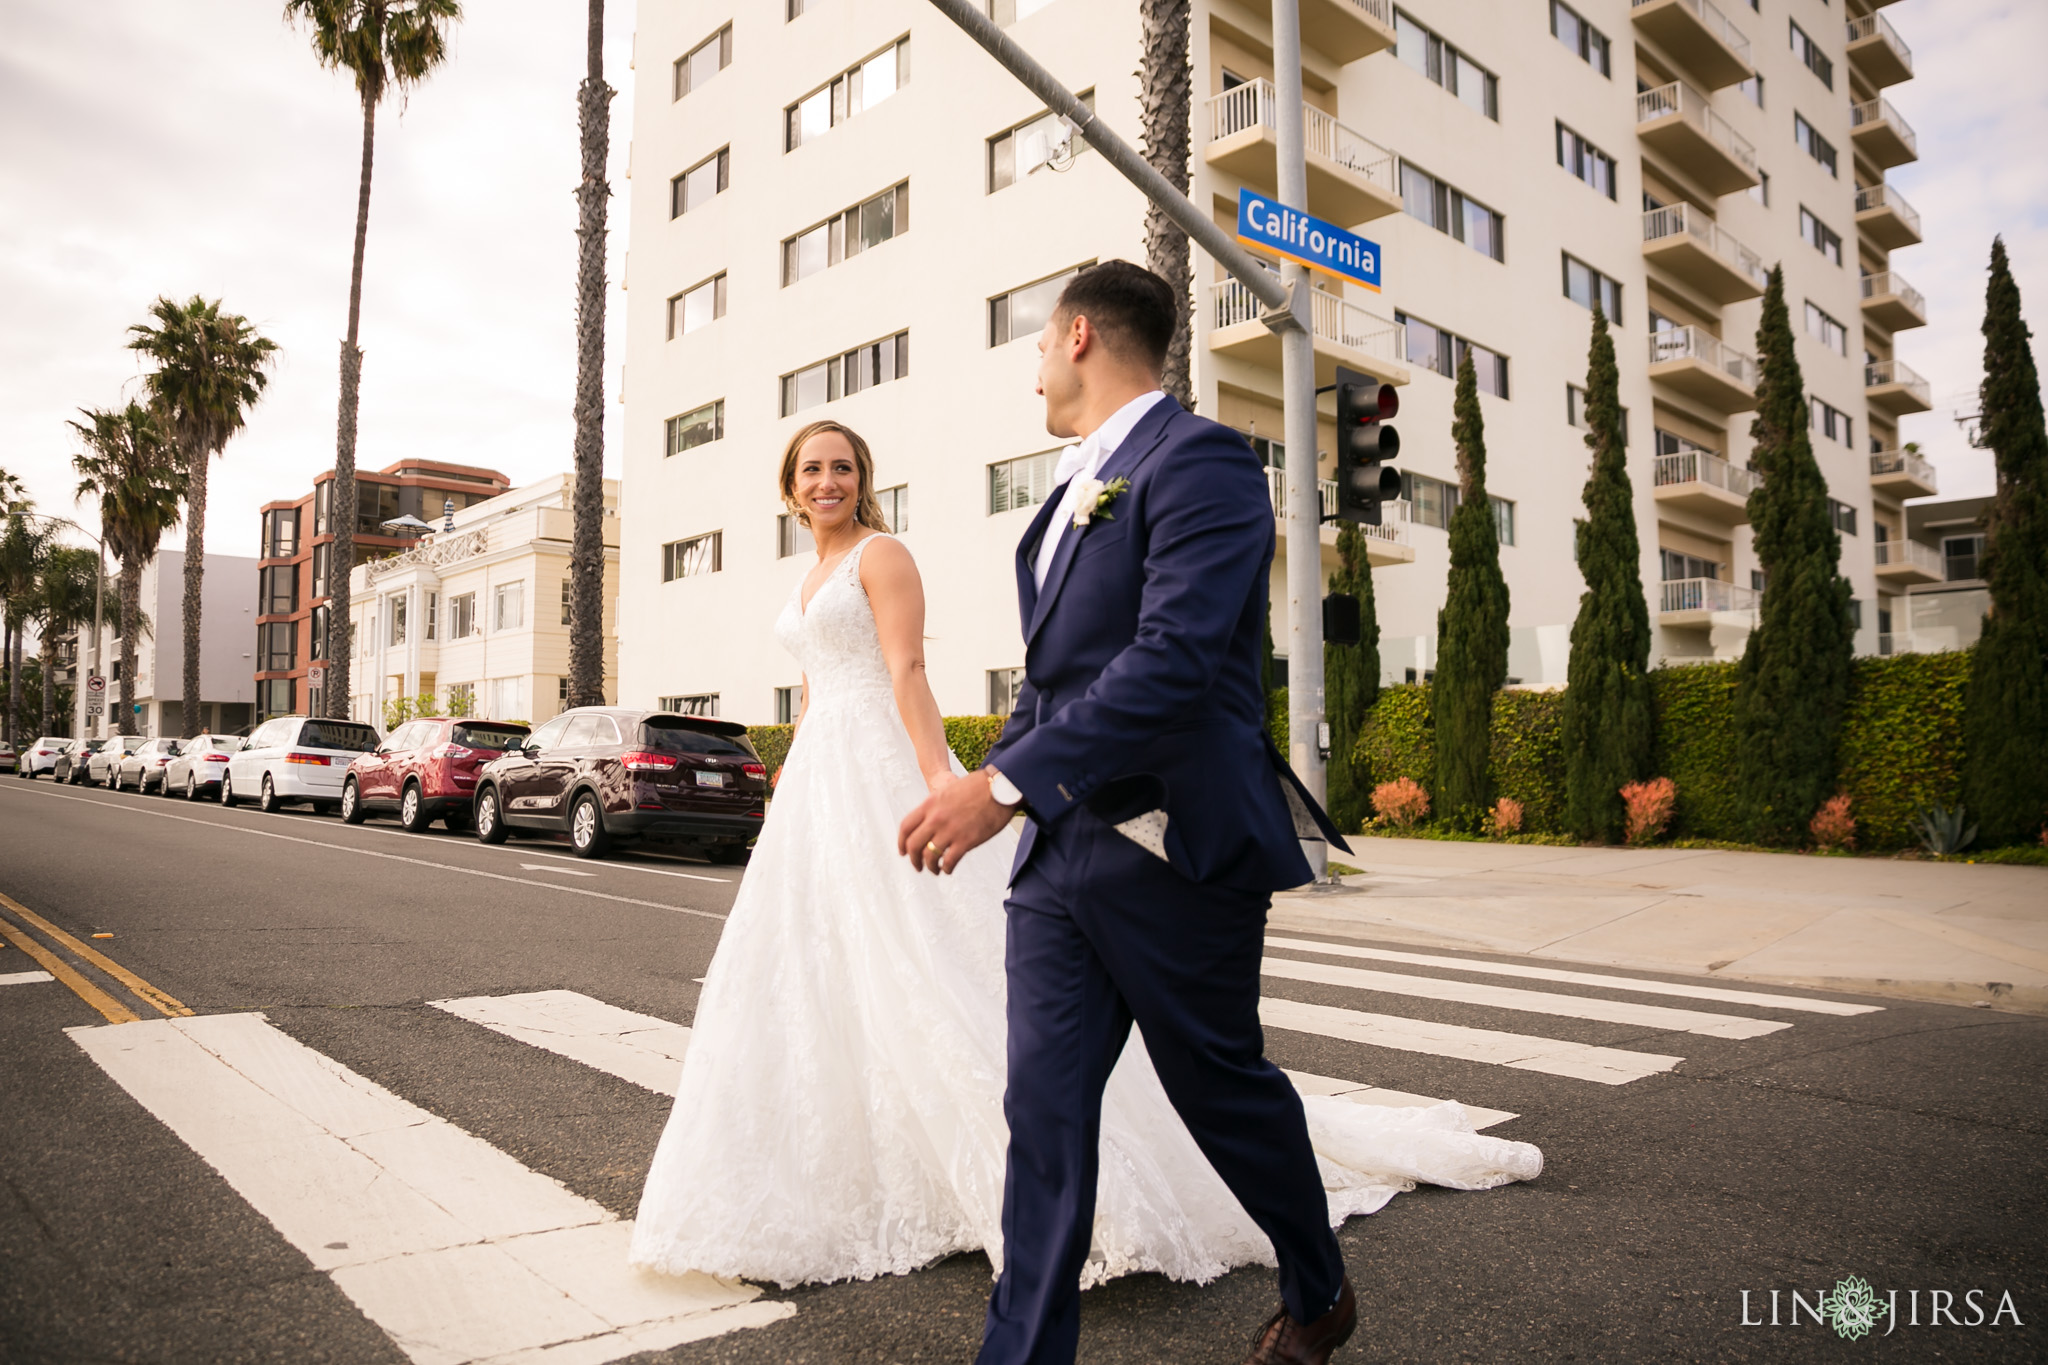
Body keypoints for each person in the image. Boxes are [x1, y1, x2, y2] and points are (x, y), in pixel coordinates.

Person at [630, 271, 1541, 1361]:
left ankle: (1318, 1290)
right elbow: (1056, 683)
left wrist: (999, 783)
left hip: (1173, 844)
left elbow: (1174, 661)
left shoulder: (1198, 462)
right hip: (1057, 855)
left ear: (1076, 337)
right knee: (1044, 1120)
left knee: (1222, 1091)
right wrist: (1011, 786)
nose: (1032, 374)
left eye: (1036, 350)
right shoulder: (1072, 491)